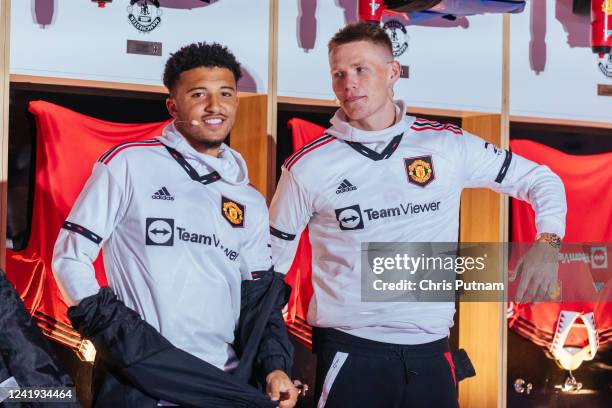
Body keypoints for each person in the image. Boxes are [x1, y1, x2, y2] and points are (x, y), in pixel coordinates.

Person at [268, 22, 566, 408]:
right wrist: (270, 361)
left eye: (361, 69)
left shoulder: (445, 144)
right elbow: (268, 269)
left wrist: (548, 243)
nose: (349, 84)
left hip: (432, 353)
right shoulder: (308, 166)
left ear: (393, 72)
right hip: (352, 351)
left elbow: (541, 179)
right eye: (338, 74)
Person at [53, 42, 297, 407]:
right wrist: (128, 342)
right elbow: (69, 259)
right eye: (199, 94)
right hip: (142, 380)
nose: (215, 107)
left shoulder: (248, 199)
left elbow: (257, 298)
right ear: (173, 105)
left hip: (221, 381)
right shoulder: (129, 164)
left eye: (225, 93)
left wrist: (274, 366)